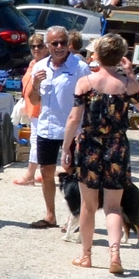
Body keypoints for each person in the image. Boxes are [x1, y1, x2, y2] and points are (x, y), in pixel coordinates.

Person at [61, 33, 139, 275]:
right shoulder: (126, 85)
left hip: (89, 146)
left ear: (97, 54)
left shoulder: (85, 82)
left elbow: (75, 117)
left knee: (88, 205)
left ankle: (86, 255)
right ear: (121, 57)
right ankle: (115, 253)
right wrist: (129, 74)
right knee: (113, 207)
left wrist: (66, 148)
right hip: (117, 147)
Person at [27, 26, 87, 230]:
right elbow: (34, 100)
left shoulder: (79, 67)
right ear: (47, 46)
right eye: (55, 43)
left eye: (63, 42)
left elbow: (88, 98)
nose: (60, 47)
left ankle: (75, 217)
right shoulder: (40, 67)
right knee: (46, 171)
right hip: (47, 127)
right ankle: (50, 215)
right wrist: (35, 84)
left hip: (73, 128)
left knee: (72, 174)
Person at [12, 31, 50, 186]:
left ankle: (30, 175)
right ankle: (43, 171)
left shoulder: (47, 65)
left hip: (42, 108)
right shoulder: (33, 63)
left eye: (40, 46)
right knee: (38, 140)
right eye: (32, 46)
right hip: (32, 107)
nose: (36, 49)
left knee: (36, 141)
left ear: (47, 47)